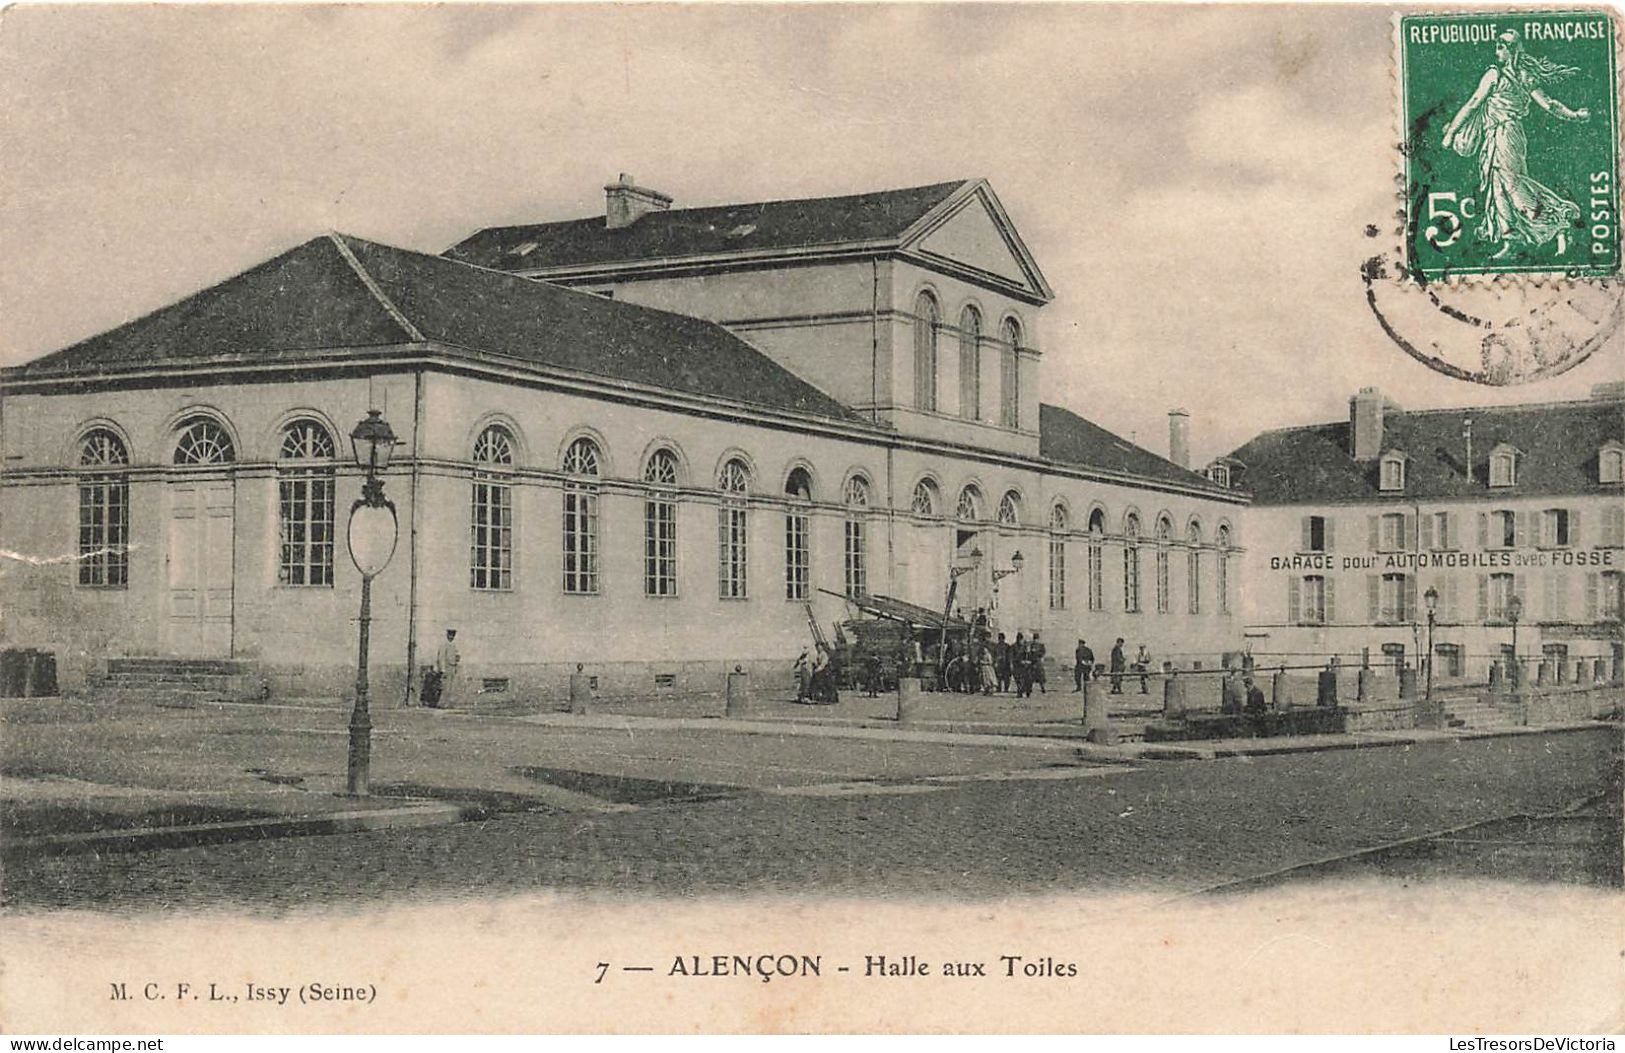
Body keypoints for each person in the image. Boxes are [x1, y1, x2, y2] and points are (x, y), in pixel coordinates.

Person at [1440, 29, 1589, 260]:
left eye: (1500, 47)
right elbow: (1550, 104)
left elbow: (1472, 104)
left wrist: (1451, 132)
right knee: (1497, 186)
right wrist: (1575, 115)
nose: (1496, 52)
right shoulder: (1523, 76)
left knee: (1512, 185)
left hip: (1506, 135)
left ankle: (1558, 220)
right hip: (1497, 136)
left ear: (1510, 51)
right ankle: (1511, 240)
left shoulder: (1497, 75)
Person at [429, 628, 460, 709]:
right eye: (450, 635)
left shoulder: (454, 645)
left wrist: (457, 662)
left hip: (452, 667)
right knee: (445, 687)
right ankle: (442, 703)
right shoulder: (444, 644)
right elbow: (441, 658)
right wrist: (443, 669)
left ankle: (448, 703)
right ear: (447, 635)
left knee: (450, 687)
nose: (451, 637)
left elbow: (456, 655)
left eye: (453, 635)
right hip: (446, 667)